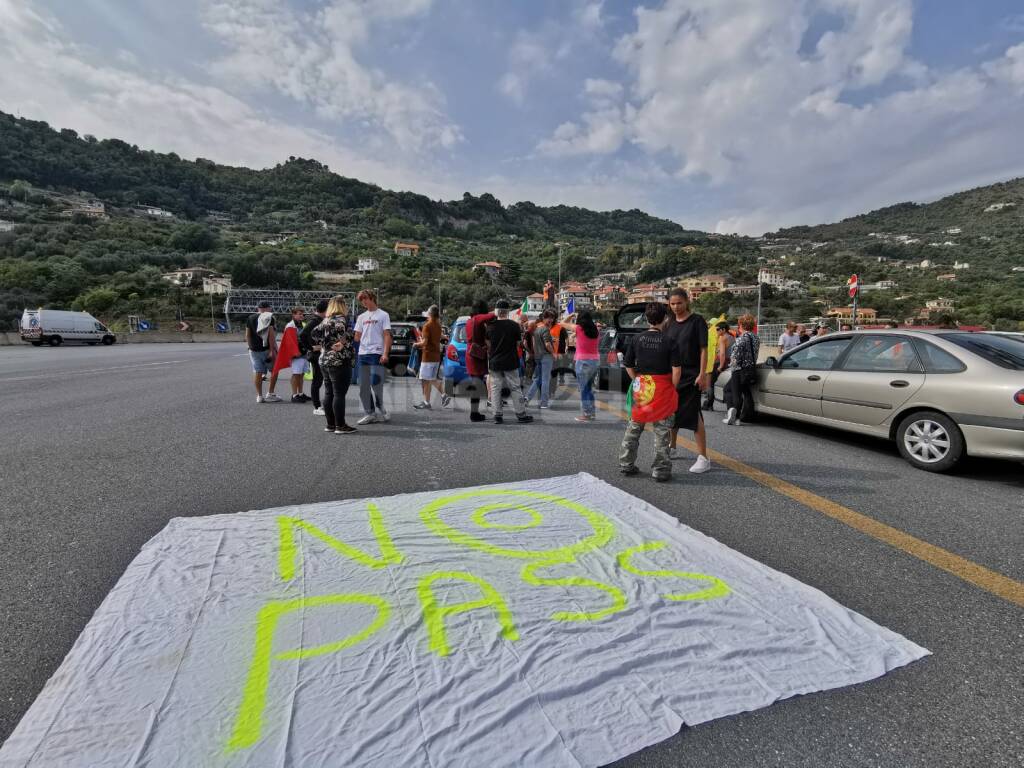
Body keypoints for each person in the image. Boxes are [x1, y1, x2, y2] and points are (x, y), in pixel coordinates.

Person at [619, 303, 681, 483]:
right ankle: (660, 470)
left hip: (643, 386)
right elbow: (676, 370)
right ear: (666, 319)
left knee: (634, 427)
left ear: (647, 319)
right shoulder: (670, 341)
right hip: (663, 386)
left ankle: (626, 463)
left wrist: (637, 380)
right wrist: (672, 388)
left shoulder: (637, 339)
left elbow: (628, 365)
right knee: (662, 431)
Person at [666, 288, 711, 474]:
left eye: (679, 303)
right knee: (672, 411)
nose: (676, 307)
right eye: (672, 303)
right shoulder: (669, 324)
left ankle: (703, 457)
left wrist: (703, 374)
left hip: (692, 374)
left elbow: (703, 349)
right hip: (673, 375)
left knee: (694, 414)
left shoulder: (697, 321)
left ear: (687, 301)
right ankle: (672, 446)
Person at [311, 295, 357, 434]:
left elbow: (314, 333)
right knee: (339, 394)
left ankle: (330, 425)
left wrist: (325, 344)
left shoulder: (326, 319)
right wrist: (341, 343)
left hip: (324, 359)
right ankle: (340, 426)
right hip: (339, 360)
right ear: (342, 306)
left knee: (329, 392)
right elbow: (347, 334)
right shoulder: (341, 319)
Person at [485, 300, 534, 424]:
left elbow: (488, 344)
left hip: (495, 361)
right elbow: (518, 344)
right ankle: (521, 414)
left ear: (496, 311)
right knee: (515, 388)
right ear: (507, 312)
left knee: (495, 388)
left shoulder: (490, 326)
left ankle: (497, 415)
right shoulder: (514, 325)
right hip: (511, 360)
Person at [353, 290, 392, 425]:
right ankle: (370, 413)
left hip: (377, 353)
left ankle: (380, 405)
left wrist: (385, 353)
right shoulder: (361, 317)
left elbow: (387, 335)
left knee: (376, 382)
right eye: (361, 300)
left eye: (366, 298)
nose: (364, 302)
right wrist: (355, 334)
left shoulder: (383, 315)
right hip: (363, 353)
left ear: (372, 298)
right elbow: (357, 337)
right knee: (363, 385)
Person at [558, 311, 600, 421]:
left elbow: (561, 323)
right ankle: (591, 412)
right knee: (589, 388)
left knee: (584, 389)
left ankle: (586, 414)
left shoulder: (578, 328)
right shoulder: (596, 330)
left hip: (583, 361)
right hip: (595, 361)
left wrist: (571, 315)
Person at [725, 314, 760, 426]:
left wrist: (731, 366)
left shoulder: (741, 339)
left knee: (732, 391)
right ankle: (746, 416)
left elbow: (735, 357)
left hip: (739, 369)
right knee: (746, 392)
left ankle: (734, 415)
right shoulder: (756, 338)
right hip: (750, 369)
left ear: (740, 324)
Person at [413, 305, 450, 409]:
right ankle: (428, 401)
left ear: (429, 314)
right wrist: (446, 337)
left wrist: (416, 344)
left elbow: (424, 343)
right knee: (431, 378)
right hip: (436, 356)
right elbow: (441, 336)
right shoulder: (438, 325)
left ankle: (439, 397)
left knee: (425, 379)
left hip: (428, 356)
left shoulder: (427, 326)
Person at [465, 299, 495, 422]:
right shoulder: (478, 319)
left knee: (475, 383)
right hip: (477, 355)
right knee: (476, 385)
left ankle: (475, 412)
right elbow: (493, 315)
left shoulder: (469, 321)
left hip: (471, 353)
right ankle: (474, 413)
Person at [245, 300, 281, 403]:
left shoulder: (250, 318)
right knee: (274, 370)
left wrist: (249, 346)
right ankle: (270, 393)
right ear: (268, 308)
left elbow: (247, 334)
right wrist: (272, 350)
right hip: (266, 349)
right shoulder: (269, 317)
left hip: (253, 350)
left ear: (258, 308)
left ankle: (259, 396)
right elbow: (271, 335)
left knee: (258, 371)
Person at [299, 299, 329, 415]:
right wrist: (311, 347)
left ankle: (321, 405)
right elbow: (302, 335)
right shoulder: (315, 321)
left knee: (321, 380)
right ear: (325, 310)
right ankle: (317, 407)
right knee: (317, 381)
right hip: (315, 355)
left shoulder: (319, 320)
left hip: (318, 354)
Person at [524, 309, 557, 409]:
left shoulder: (536, 330)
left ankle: (527, 398)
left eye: (552, 318)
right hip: (546, 357)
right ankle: (544, 403)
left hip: (538, 357)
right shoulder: (545, 329)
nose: (551, 320)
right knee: (545, 380)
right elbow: (547, 344)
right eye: (549, 318)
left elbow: (535, 344)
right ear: (544, 318)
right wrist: (553, 353)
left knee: (538, 379)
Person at [703, 320, 734, 411]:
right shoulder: (732, 337)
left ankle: (709, 404)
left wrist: (720, 365)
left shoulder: (722, 338)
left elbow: (722, 354)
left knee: (710, 384)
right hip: (729, 362)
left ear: (723, 329)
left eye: (717, 329)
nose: (716, 331)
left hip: (720, 362)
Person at [283, 307, 311, 403]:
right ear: (293, 315)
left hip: (303, 353)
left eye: (302, 314)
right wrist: (294, 352)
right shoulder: (290, 325)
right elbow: (288, 341)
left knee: (301, 374)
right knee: (296, 374)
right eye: (299, 314)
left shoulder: (301, 324)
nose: (301, 316)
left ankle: (300, 393)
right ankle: (294, 395)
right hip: (296, 354)